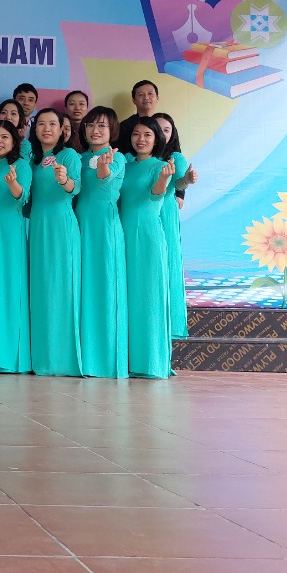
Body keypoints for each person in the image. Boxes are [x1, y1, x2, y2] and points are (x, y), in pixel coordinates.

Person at [27, 108, 83, 376]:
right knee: (41, 289)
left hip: (61, 226)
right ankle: (43, 357)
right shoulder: (33, 158)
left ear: (63, 130)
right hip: (38, 226)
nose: (47, 128)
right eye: (41, 124)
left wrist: (65, 180)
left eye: (53, 124)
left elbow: (76, 187)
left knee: (61, 288)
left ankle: (62, 359)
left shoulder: (68, 155)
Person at [121, 117, 175, 379]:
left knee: (148, 295)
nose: (141, 139)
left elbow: (156, 195)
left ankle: (151, 362)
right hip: (122, 233)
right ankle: (128, 359)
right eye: (136, 134)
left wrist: (164, 179)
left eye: (147, 135)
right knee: (128, 296)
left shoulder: (161, 166)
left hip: (148, 236)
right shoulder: (125, 166)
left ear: (157, 139)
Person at [76, 106, 128, 378]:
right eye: (90, 125)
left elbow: (104, 179)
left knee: (104, 287)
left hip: (104, 228)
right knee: (82, 288)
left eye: (102, 126)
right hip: (78, 225)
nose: (95, 130)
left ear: (112, 131)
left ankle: (105, 360)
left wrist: (104, 165)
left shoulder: (117, 157)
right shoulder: (80, 158)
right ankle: (83, 356)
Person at [0, 121, 31, 373]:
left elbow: (22, 197)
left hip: (9, 232)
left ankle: (8, 356)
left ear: (14, 141)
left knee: (8, 287)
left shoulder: (21, 165)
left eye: (4, 137)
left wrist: (13, 183)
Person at [154, 112, 198, 339]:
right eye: (158, 129)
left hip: (165, 211)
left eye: (167, 130)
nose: (162, 134)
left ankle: (170, 321)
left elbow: (179, 182)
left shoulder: (176, 158)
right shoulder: (135, 157)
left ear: (172, 134)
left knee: (167, 260)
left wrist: (187, 181)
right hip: (142, 211)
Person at [117, 79, 160, 152]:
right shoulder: (125, 126)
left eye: (150, 93)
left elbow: (175, 149)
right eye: (141, 95)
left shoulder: (165, 124)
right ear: (134, 100)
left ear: (157, 98)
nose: (146, 97)